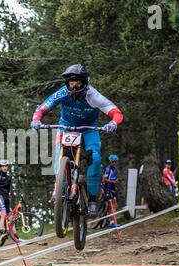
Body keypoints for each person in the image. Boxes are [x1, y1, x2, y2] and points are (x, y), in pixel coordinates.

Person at [30, 64, 123, 216]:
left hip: (88, 129)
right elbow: (42, 108)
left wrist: (112, 123)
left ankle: (92, 198)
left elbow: (116, 112)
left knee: (96, 158)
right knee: (59, 155)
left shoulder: (93, 96)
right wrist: (36, 119)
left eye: (77, 83)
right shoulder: (62, 93)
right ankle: (58, 187)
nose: (73, 88)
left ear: (84, 83)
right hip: (65, 127)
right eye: (70, 84)